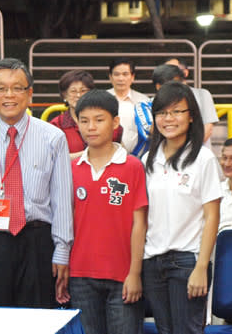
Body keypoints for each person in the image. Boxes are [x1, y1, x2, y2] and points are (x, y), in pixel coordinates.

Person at [0, 58, 73, 308]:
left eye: (18, 88)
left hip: (37, 241)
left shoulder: (53, 138)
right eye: (1, 89)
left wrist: (62, 250)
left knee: (38, 321)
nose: (9, 95)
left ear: (29, 93)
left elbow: (62, 200)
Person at [142, 81, 222, 334]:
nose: (169, 119)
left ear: (191, 117)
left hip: (187, 261)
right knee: (164, 331)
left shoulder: (204, 159)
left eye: (177, 111)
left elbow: (212, 218)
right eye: (162, 113)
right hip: (152, 262)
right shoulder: (148, 159)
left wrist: (201, 268)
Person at [69, 90, 148, 334]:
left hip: (122, 276)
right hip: (80, 275)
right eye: (84, 120)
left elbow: (140, 224)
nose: (91, 127)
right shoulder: (72, 168)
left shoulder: (133, 166)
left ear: (115, 122)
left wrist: (134, 273)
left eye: (99, 119)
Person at [165, 58, 218, 147]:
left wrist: (187, 149)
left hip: (199, 153)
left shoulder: (202, 95)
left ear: (185, 72)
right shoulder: (161, 98)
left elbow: (207, 128)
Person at [107, 58, 149, 155]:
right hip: (108, 156)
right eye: (116, 74)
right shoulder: (101, 99)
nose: (121, 78)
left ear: (132, 77)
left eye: (125, 74)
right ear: (110, 77)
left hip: (138, 156)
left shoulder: (143, 101)